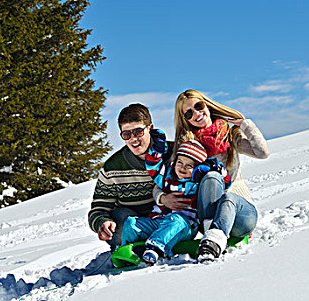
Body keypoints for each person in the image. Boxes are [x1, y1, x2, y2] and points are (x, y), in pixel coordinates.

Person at [155, 89, 269, 260]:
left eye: (198, 106)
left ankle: (214, 238)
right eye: (188, 113)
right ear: (185, 120)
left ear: (206, 105)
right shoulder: (187, 148)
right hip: (207, 215)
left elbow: (262, 152)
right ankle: (212, 237)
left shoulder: (229, 136)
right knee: (211, 176)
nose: (197, 114)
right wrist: (162, 198)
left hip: (240, 214)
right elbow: (162, 181)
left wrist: (245, 124)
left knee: (227, 196)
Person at [121, 132, 231, 264]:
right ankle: (127, 250)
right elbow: (153, 168)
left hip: (184, 226)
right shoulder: (168, 178)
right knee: (131, 223)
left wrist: (215, 168)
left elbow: (224, 182)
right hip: (159, 223)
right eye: (180, 162)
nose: (182, 168)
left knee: (176, 220)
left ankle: (155, 248)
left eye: (189, 165)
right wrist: (157, 150)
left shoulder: (198, 184)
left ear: (197, 168)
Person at [88, 103, 172, 251]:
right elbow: (98, 209)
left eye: (138, 131)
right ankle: (133, 249)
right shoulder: (112, 168)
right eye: (127, 134)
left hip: (168, 218)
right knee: (121, 216)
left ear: (150, 129)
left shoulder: (172, 154)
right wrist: (102, 222)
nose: (133, 139)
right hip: (131, 221)